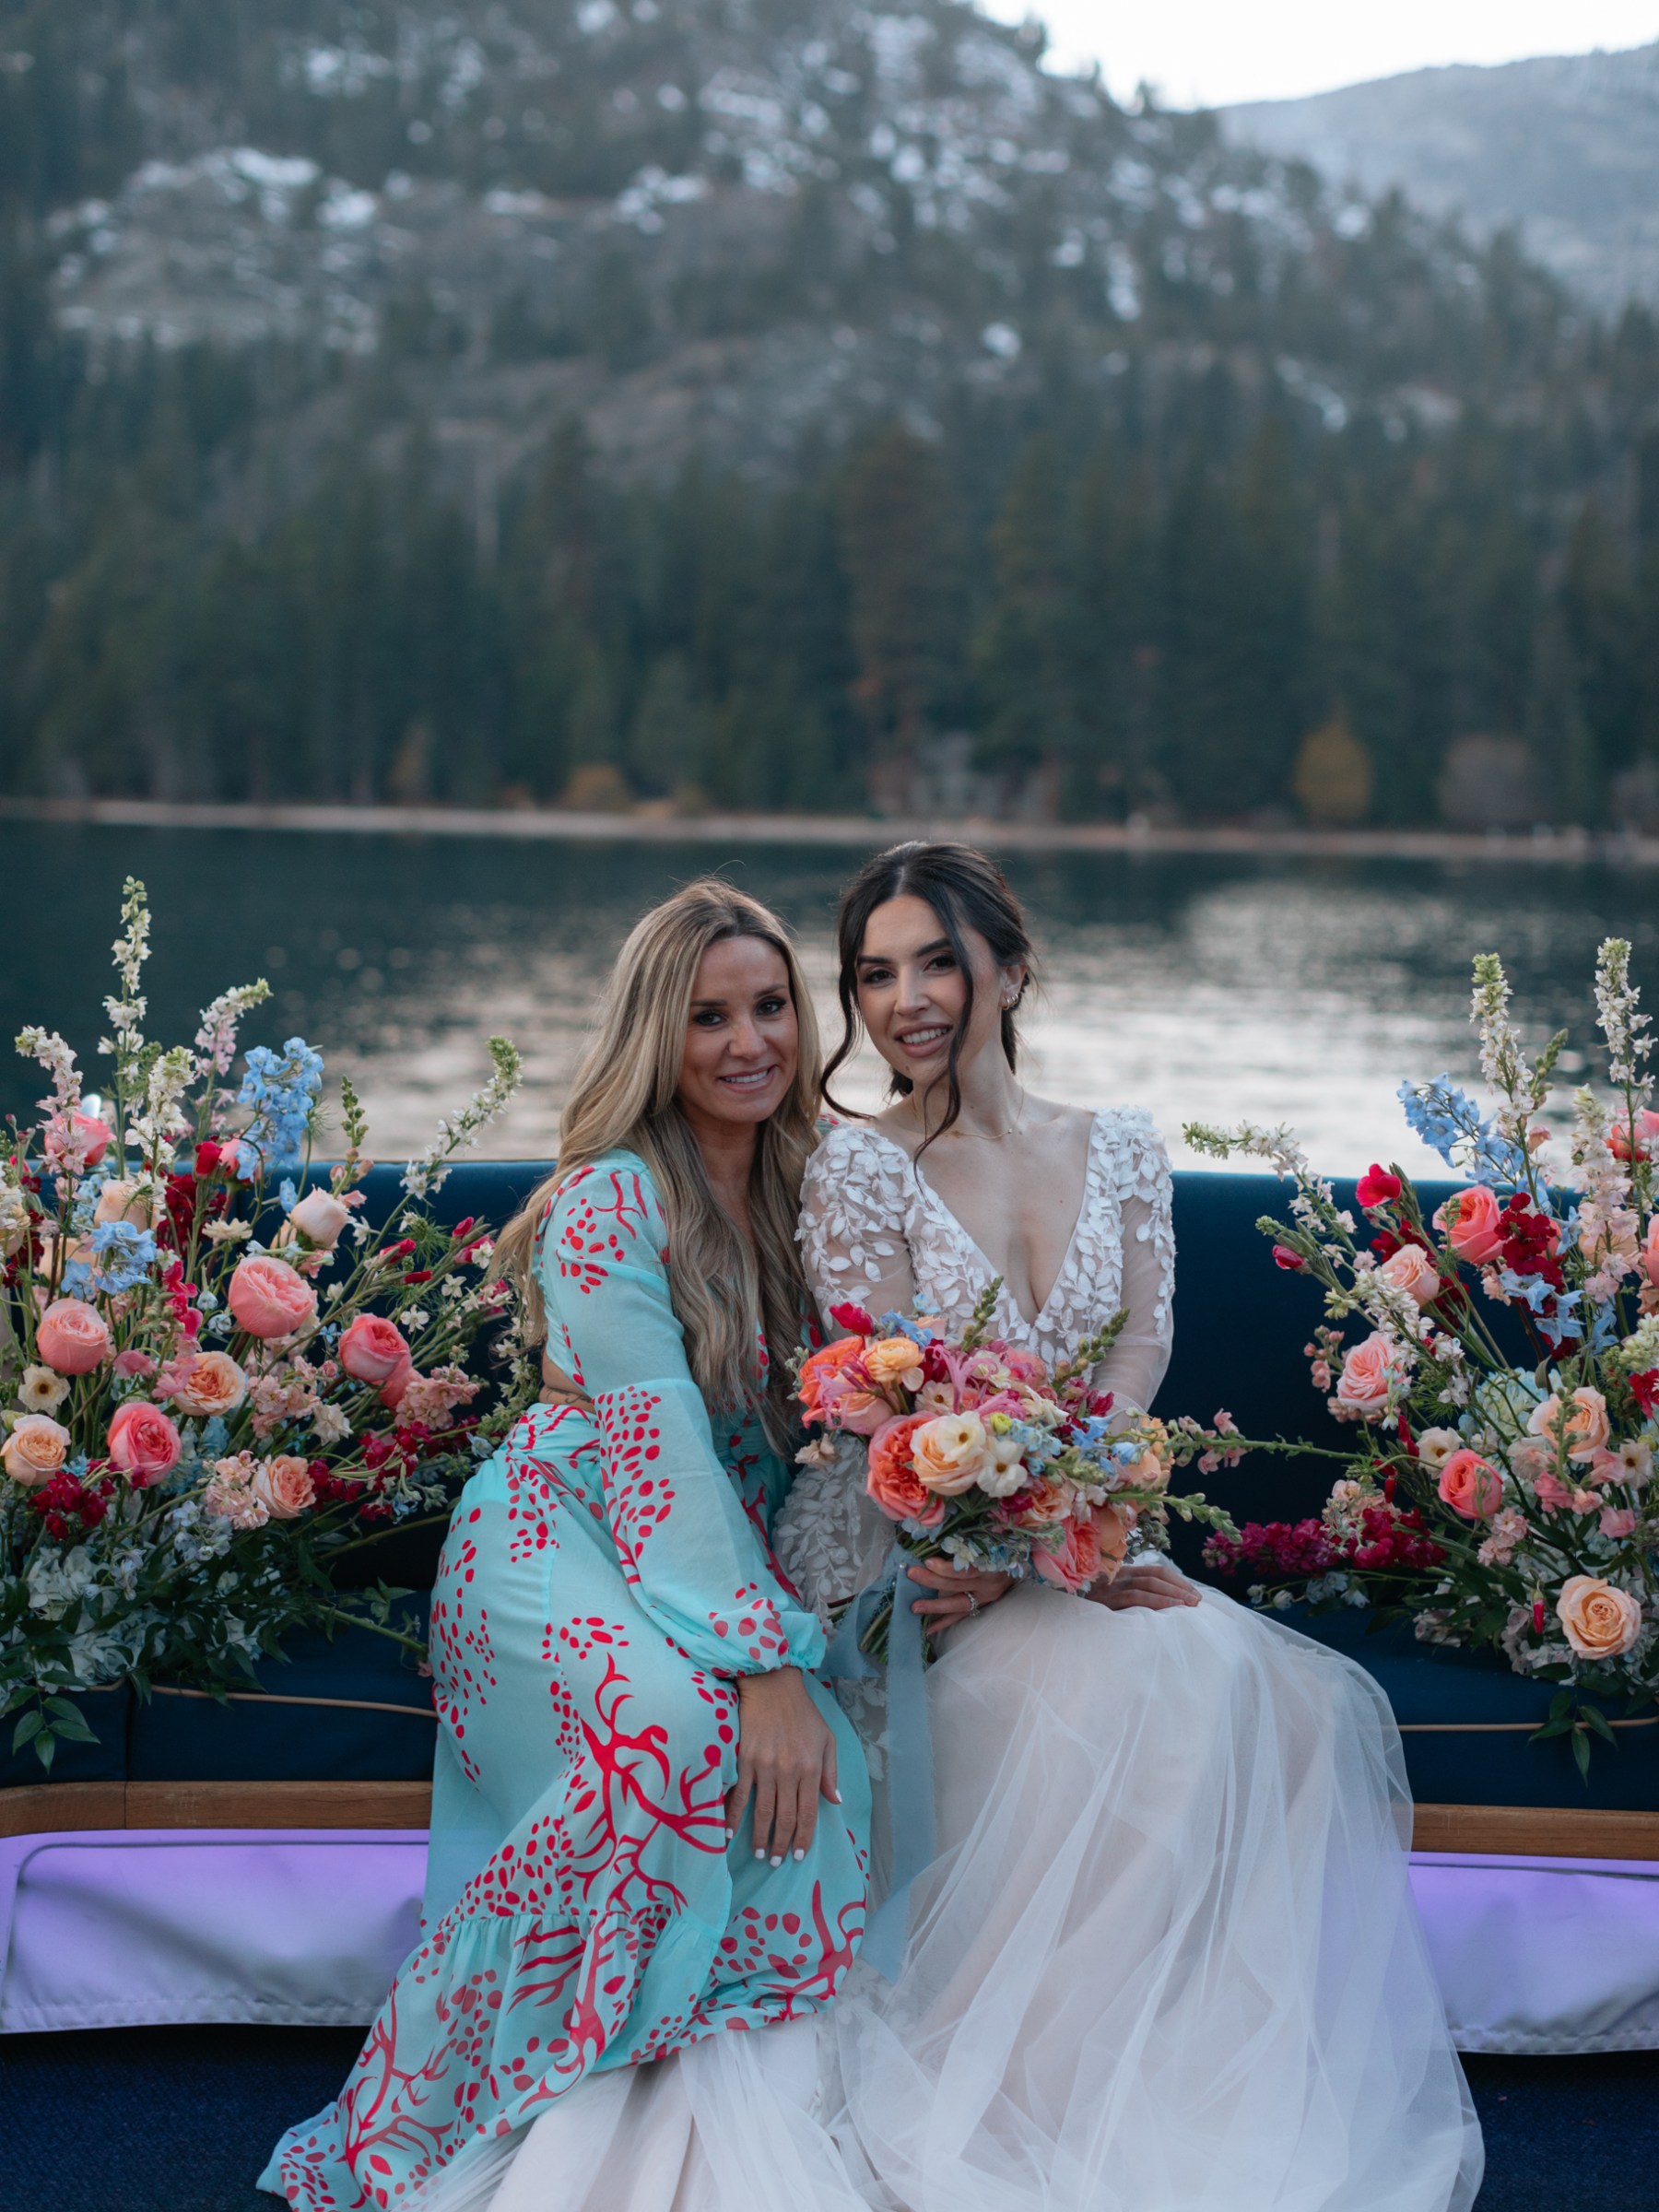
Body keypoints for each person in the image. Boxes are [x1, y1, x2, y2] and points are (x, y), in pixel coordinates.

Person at [771, 840, 1484, 2212]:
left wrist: (1073, 1534)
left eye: (937, 960)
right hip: (903, 1549)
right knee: (1141, 1680)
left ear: (1012, 967)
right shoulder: (856, 1168)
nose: (906, 999)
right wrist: (990, 1554)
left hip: (1075, 1529)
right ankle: (1012, 2097)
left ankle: (1131, 2095)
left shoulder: (1125, 1146)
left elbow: (1138, 1365)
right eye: (873, 974)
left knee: (1275, 1699)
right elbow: (876, 1399)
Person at [259, 881, 870, 2212]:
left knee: (827, 1756)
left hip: (709, 1557)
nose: (747, 1041)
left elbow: (857, 1407)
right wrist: (765, 1661)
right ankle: (496, 2094)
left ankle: (716, 2089)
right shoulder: (608, 1202)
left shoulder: (812, 1193)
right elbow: (654, 1456)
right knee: (688, 1737)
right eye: (709, 1016)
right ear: (659, 1033)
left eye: (771, 1007)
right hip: (556, 1541)